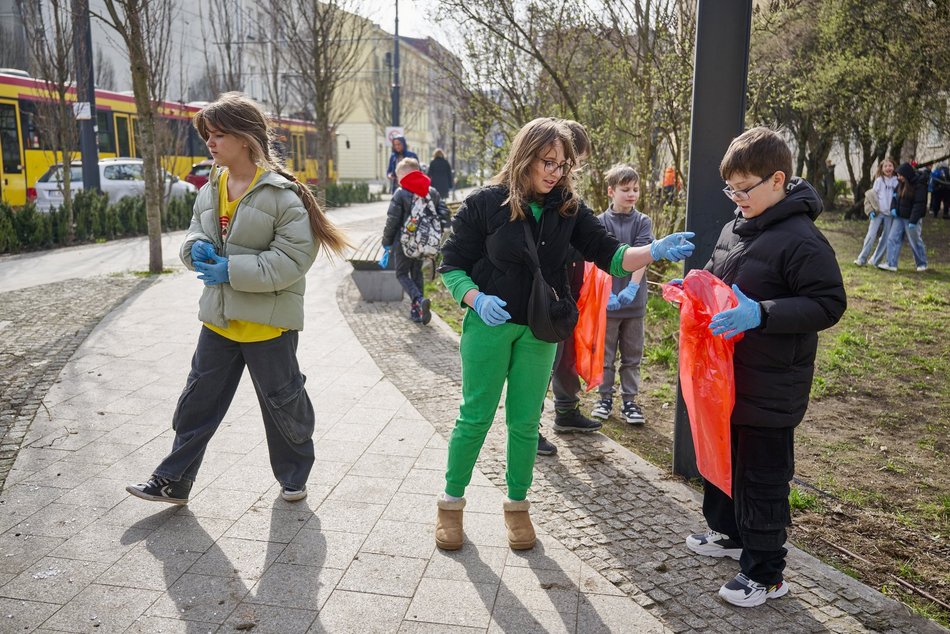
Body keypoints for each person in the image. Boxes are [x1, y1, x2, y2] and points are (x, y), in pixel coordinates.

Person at [433, 117, 695, 552]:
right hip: (489, 326)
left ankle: (518, 507)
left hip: (541, 329)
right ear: (525, 157)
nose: (555, 172)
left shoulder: (570, 208)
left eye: (563, 164)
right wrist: (475, 298)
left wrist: (653, 250)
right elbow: (452, 264)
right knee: (475, 416)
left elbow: (610, 255)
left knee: (524, 422)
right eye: (547, 162)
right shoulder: (485, 203)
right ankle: (450, 504)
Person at [126, 93, 350, 505]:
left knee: (283, 405)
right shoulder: (211, 187)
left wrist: (230, 269)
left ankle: (294, 478)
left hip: (268, 325)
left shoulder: (283, 196)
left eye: (219, 135)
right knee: (197, 403)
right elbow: (196, 229)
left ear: (245, 138)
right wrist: (194, 249)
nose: (210, 143)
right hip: (219, 319)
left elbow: (292, 261)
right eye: (208, 135)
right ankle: (173, 480)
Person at [682, 126, 846, 608]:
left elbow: (829, 304)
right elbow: (718, 276)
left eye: (744, 189)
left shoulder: (803, 240)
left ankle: (766, 573)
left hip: (771, 385)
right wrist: (695, 291)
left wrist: (763, 313)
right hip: (728, 377)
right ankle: (728, 534)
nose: (736, 199)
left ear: (777, 180)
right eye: (730, 190)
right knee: (724, 462)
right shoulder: (736, 226)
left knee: (761, 479)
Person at [544, 119, 603, 447]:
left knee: (565, 352)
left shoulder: (571, 197)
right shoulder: (547, 196)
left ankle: (566, 410)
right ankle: (529, 425)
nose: (575, 169)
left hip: (571, 291)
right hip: (550, 294)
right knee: (545, 358)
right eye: (575, 161)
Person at [590, 164, 653, 425]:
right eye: (625, 189)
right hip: (607, 304)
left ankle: (630, 401)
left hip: (634, 304)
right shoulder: (600, 222)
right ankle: (604, 398)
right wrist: (606, 293)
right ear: (611, 191)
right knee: (605, 356)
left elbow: (643, 254)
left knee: (632, 356)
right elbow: (596, 260)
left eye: (635, 189)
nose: (631, 194)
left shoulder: (643, 222)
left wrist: (632, 288)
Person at [380, 157, 449, 324]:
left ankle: (418, 300)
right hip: (423, 243)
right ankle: (418, 311)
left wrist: (386, 242)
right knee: (417, 273)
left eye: (398, 176)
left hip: (403, 242)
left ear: (403, 175)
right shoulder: (431, 191)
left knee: (402, 273)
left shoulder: (401, 193)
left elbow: (392, 221)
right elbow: (444, 213)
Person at [878, 162, 928, 272]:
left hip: (911, 219)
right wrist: (893, 208)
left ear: (906, 175)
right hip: (899, 217)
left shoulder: (919, 185)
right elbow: (895, 197)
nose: (898, 177)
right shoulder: (901, 183)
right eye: (898, 175)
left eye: (900, 175)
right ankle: (891, 264)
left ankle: (922, 264)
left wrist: (913, 220)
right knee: (892, 239)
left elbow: (919, 204)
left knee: (915, 241)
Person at [853, 158, 897, 267]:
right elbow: (870, 197)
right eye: (885, 166)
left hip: (890, 215)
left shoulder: (896, 181)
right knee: (871, 235)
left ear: (893, 167)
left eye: (890, 166)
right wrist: (870, 211)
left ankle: (875, 260)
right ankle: (862, 259)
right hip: (878, 213)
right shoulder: (879, 181)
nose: (888, 168)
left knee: (885, 238)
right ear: (881, 169)